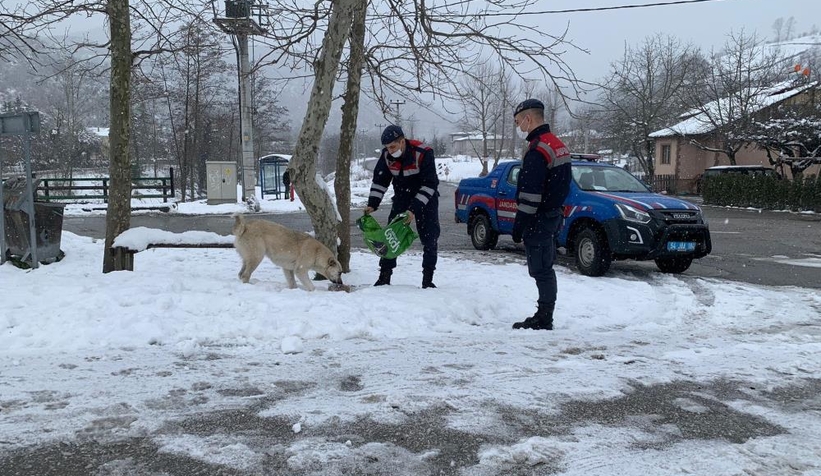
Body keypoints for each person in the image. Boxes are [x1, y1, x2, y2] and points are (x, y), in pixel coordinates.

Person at [510, 98, 572, 330]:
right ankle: (546, 313)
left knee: (540, 268)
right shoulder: (556, 144)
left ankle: (544, 317)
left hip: (539, 218)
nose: (519, 127)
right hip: (553, 215)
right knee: (545, 266)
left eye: (518, 122)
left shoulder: (538, 149)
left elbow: (530, 194)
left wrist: (519, 225)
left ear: (528, 118)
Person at [364, 125, 440, 288]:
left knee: (430, 238)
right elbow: (380, 181)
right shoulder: (386, 156)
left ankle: (428, 280)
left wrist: (414, 209)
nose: (390, 151)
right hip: (401, 197)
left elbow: (430, 184)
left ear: (402, 141)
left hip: (426, 199)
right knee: (390, 237)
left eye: (393, 146)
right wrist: (372, 204)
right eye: (387, 148)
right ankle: (384, 276)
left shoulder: (423, 153)